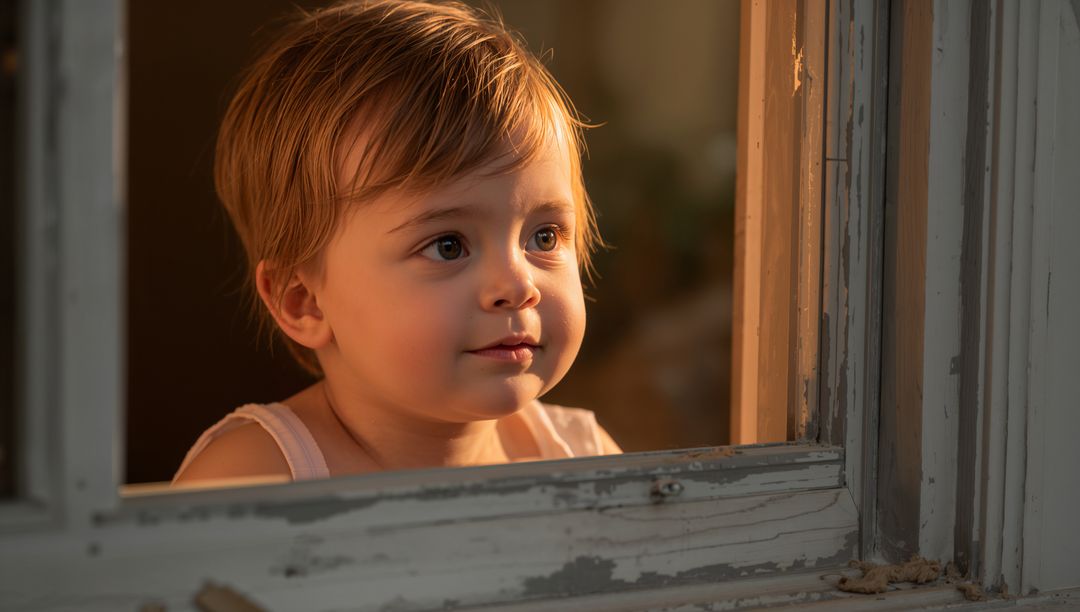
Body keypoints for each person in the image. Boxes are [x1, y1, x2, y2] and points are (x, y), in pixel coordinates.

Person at [172, 0, 622, 486]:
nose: (517, 285)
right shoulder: (259, 476)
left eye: (543, 236)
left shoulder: (582, 455)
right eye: (448, 246)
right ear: (302, 302)